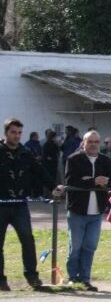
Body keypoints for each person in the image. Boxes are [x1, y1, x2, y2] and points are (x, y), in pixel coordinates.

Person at [0, 118, 59, 291]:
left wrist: (54, 187)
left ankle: (32, 277)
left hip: (20, 206)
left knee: (27, 240)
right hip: (1, 206)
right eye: (13, 132)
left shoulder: (26, 153)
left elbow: (40, 172)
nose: (17, 136)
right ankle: (1, 281)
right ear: (6, 133)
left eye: (19, 133)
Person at [63, 130, 111, 291]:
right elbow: (71, 181)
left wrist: (102, 181)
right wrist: (94, 181)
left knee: (90, 246)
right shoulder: (74, 159)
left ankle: (85, 278)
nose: (93, 145)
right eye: (90, 142)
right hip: (77, 211)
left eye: (96, 142)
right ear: (84, 143)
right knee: (75, 246)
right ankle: (73, 277)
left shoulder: (105, 160)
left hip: (96, 213)